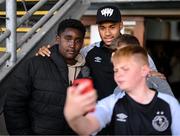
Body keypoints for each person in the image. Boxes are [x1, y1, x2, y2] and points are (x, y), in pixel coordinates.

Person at [36, 5, 172, 100]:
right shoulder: (88, 51)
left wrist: (151, 76)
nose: (107, 33)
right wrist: (49, 51)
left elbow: (154, 82)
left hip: (128, 117)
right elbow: (67, 57)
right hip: (100, 118)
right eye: (102, 28)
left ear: (121, 25)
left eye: (112, 27)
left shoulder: (137, 53)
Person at [64, 45, 180, 135]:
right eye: (116, 70)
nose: (118, 75)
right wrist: (73, 116)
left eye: (125, 69)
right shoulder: (111, 103)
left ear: (144, 70)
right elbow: (87, 127)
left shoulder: (170, 104)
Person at [4, 19, 88, 135]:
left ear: (82, 43)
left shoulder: (87, 70)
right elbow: (14, 105)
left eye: (77, 40)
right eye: (68, 39)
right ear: (58, 39)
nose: (72, 45)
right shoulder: (34, 64)